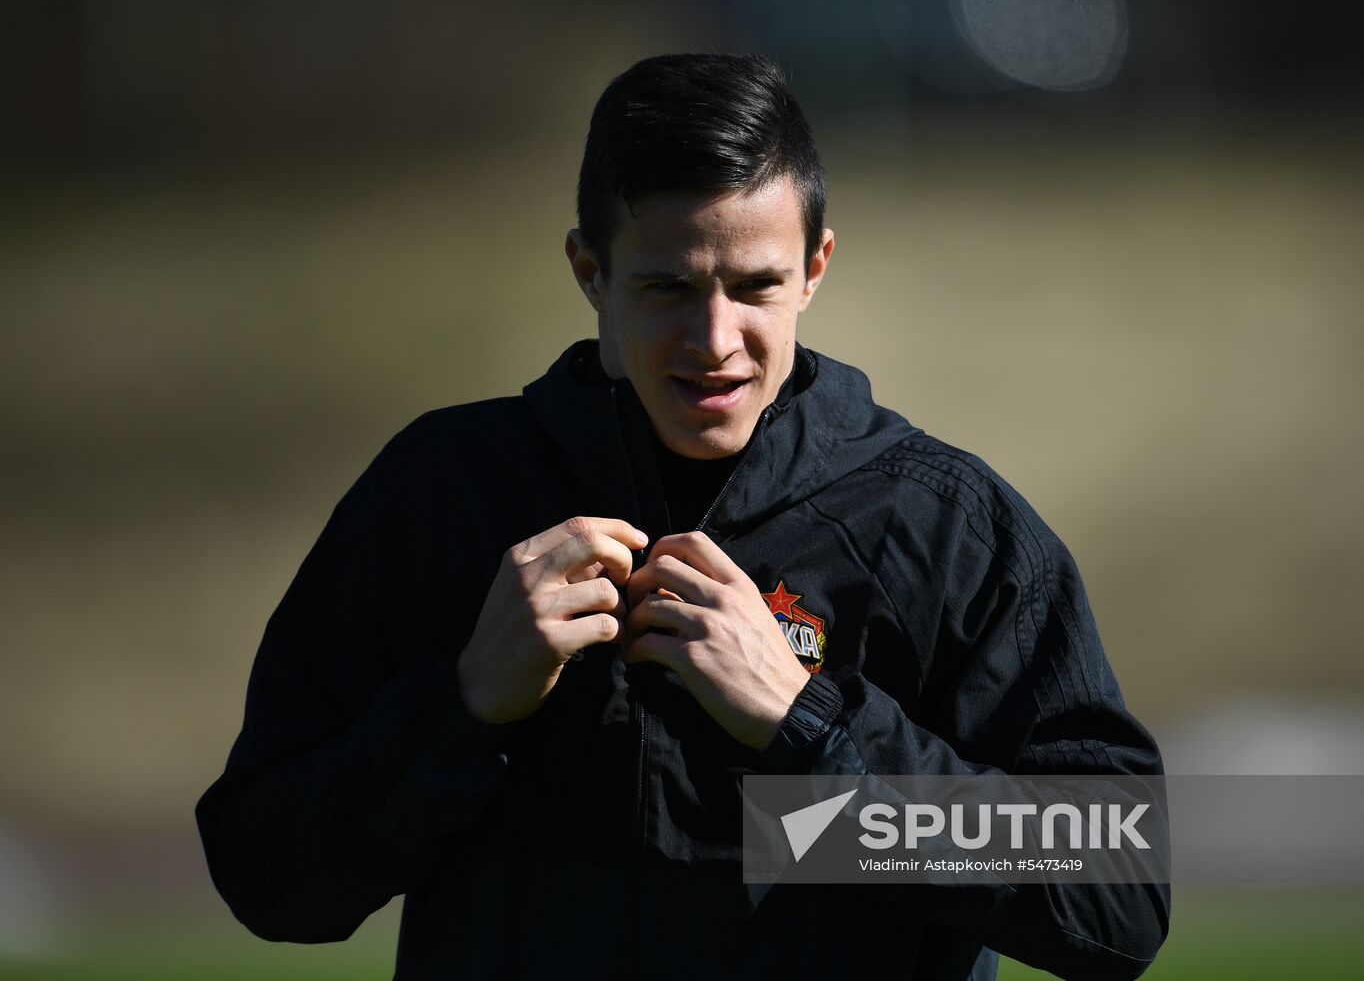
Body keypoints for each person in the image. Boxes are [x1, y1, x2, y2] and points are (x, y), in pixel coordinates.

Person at [196, 53, 1168, 980]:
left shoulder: (947, 529)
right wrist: (459, 708)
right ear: (589, 270)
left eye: (755, 286)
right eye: (666, 287)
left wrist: (810, 729)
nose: (715, 342)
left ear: (815, 266)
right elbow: (268, 882)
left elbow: (1115, 899)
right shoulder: (443, 494)